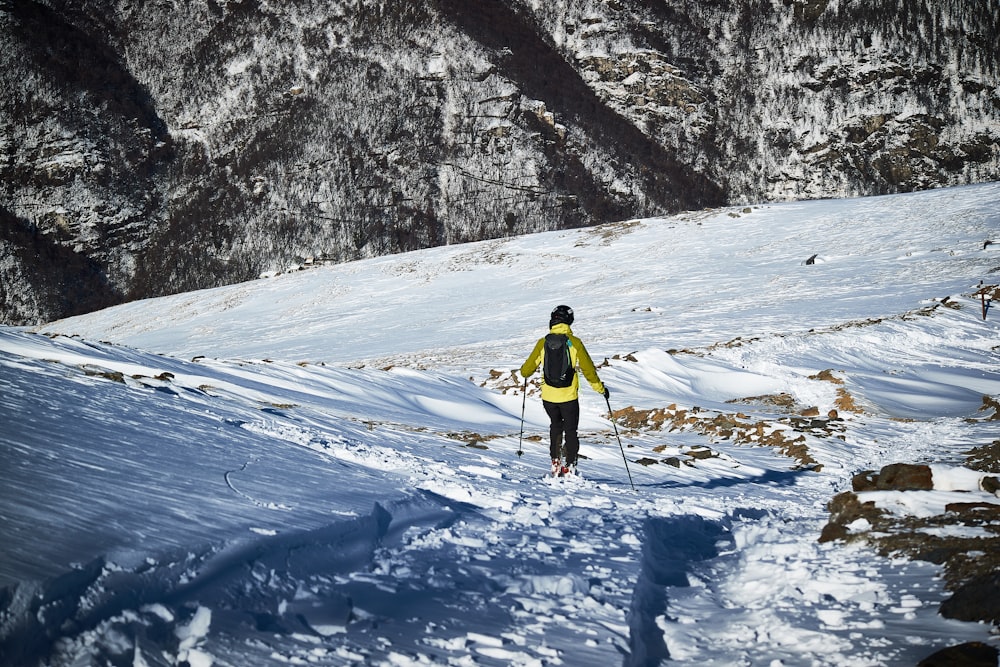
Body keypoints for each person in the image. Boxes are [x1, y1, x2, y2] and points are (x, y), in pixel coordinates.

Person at [520, 305, 608, 476]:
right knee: (570, 431)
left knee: (555, 426)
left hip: (548, 397)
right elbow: (588, 370)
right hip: (568, 396)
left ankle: (555, 462)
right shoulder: (574, 343)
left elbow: (526, 371)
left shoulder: (542, 343)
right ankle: (569, 466)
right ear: (569, 321)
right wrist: (601, 389)